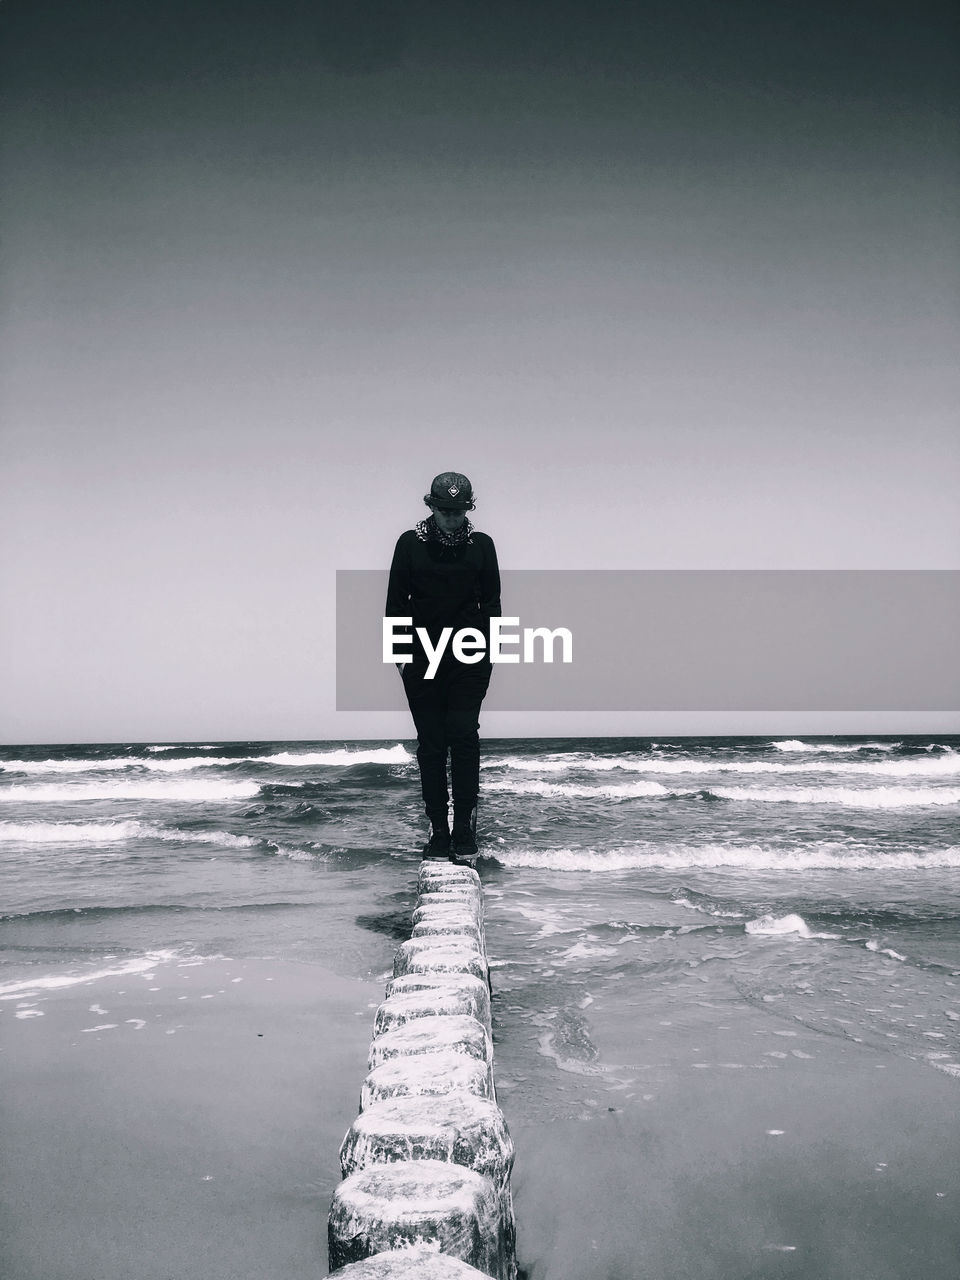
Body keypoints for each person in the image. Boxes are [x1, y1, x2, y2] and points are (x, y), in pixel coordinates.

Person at [385, 472, 501, 860]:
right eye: (445, 510)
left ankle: (465, 828)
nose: (452, 517)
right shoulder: (409, 544)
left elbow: (493, 604)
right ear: (431, 506)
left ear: (469, 509)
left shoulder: (482, 546)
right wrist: (401, 658)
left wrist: (490, 653)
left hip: (470, 657)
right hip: (422, 657)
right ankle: (438, 831)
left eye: (459, 511)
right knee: (432, 745)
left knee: (464, 738)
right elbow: (396, 604)